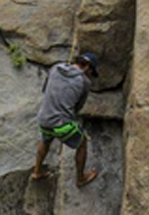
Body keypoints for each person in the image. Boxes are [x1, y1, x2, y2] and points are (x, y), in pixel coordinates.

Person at [32, 52, 99, 188]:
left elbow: (45, 90)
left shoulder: (56, 67)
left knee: (46, 139)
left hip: (43, 118)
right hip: (61, 124)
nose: (90, 75)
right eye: (91, 72)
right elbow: (78, 106)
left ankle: (37, 172)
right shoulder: (84, 82)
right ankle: (80, 179)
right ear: (88, 67)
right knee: (82, 142)